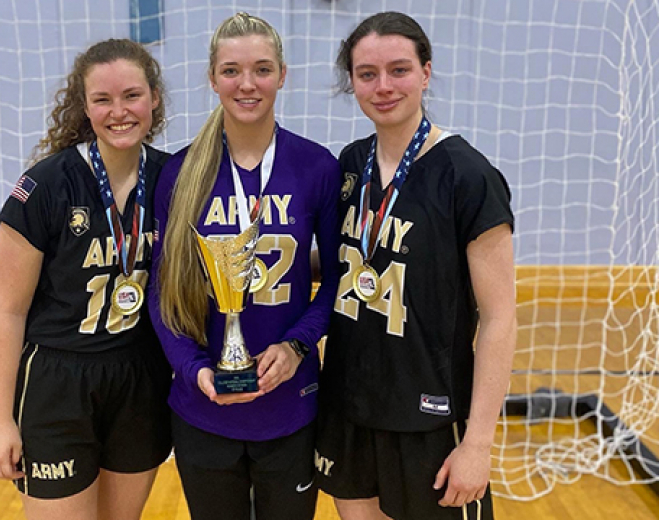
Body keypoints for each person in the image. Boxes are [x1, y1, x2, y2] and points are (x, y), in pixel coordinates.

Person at [315, 11, 517, 520]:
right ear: (352, 82)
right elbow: (353, 261)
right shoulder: (350, 165)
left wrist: (477, 446)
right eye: (367, 74)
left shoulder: (467, 176)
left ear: (426, 72)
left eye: (399, 70)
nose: (383, 86)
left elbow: (499, 318)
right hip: (348, 405)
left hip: (429, 416)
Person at [148, 12, 341, 520]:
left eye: (261, 68)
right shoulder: (180, 172)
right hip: (202, 408)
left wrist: (298, 343)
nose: (247, 84)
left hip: (292, 404)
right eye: (232, 70)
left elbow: (340, 279)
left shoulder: (317, 166)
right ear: (212, 79)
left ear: (282, 75)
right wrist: (192, 371)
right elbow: (161, 291)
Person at [0, 38, 172, 520]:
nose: (119, 112)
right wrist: (0, 420)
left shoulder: (175, 178)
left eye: (131, 95)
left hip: (139, 377)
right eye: (102, 100)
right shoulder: (45, 186)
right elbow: (8, 311)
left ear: (154, 97)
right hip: (57, 382)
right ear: (83, 107)